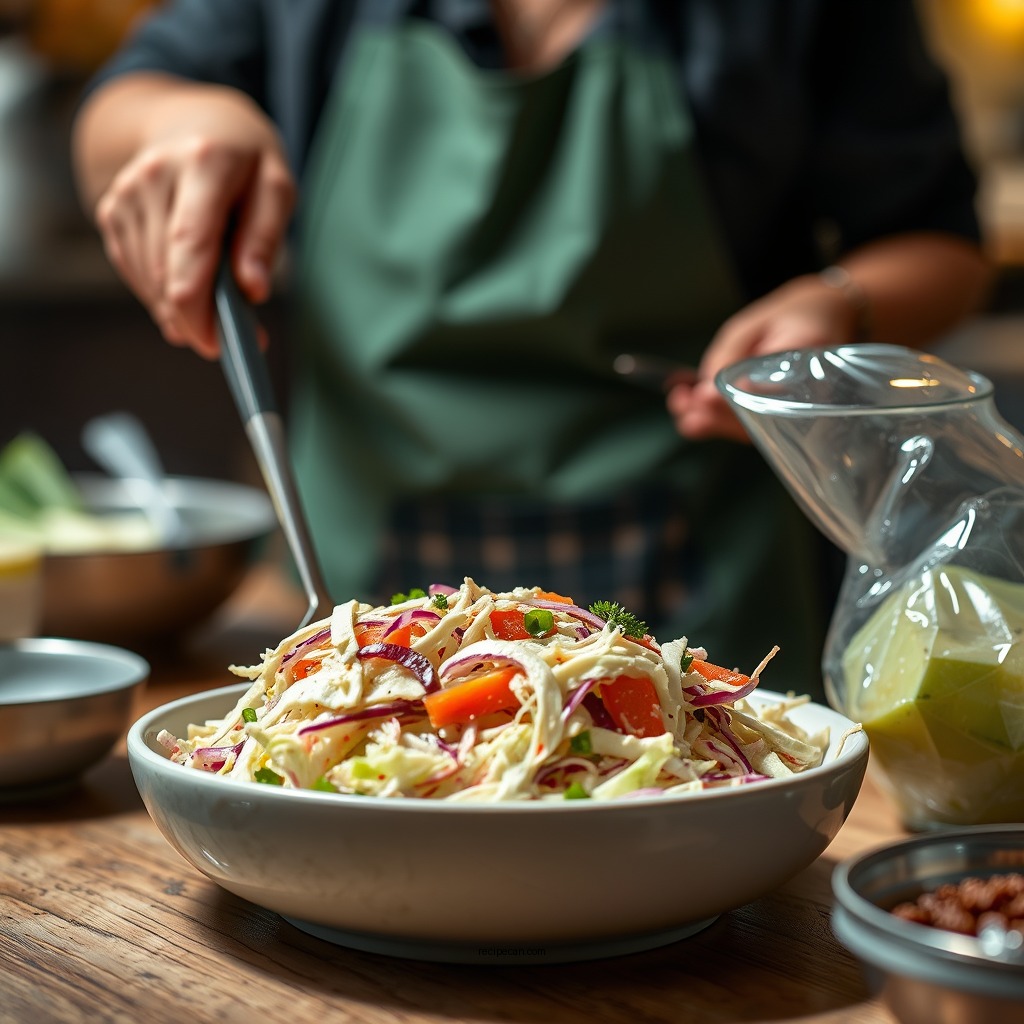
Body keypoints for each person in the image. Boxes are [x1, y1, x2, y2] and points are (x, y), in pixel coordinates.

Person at [70, 0, 992, 695]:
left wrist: (835, 303)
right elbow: (123, 104)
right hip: (351, 598)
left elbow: (947, 242)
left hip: (712, 600)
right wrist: (177, 124)